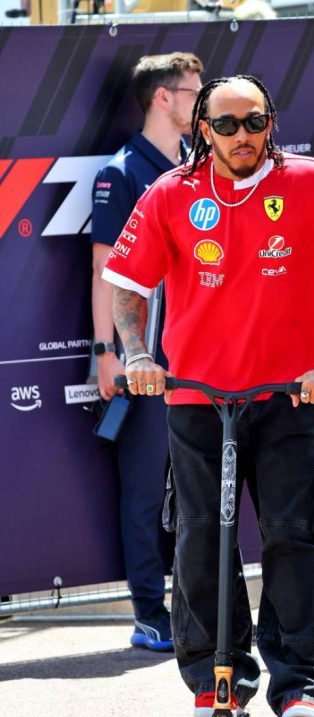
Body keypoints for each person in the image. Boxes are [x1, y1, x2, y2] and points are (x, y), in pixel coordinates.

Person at [102, 74, 314, 717]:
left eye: (252, 123)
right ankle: (213, 677)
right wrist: (138, 356)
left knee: (293, 533)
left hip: (290, 396)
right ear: (203, 127)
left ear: (270, 123)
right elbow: (126, 285)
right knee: (201, 539)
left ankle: (303, 685)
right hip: (197, 400)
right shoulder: (172, 194)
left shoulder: (310, 184)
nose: (240, 137)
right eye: (225, 125)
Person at [91, 51, 204, 651]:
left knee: (197, 493)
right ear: (164, 97)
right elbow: (105, 270)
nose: (203, 99)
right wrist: (108, 351)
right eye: (194, 90)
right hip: (146, 361)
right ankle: (147, 613)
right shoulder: (122, 172)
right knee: (143, 491)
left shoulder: (197, 167)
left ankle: (196, 609)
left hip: (201, 361)